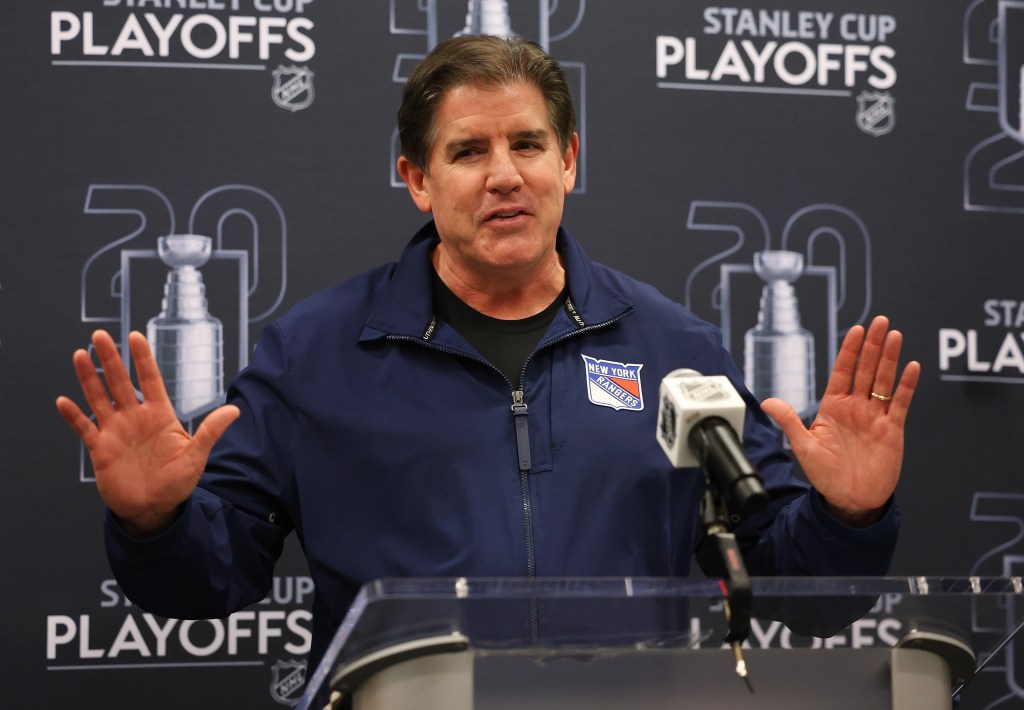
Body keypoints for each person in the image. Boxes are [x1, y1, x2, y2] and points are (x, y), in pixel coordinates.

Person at [56, 35, 919, 678]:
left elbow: (796, 594)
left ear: (569, 161)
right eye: (468, 151)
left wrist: (848, 517)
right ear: (418, 180)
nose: (503, 174)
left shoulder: (674, 348)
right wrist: (155, 524)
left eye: (528, 144)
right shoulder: (313, 352)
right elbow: (210, 580)